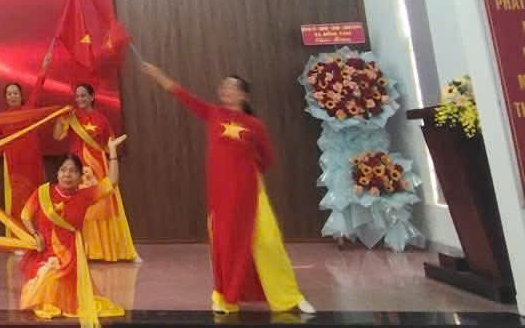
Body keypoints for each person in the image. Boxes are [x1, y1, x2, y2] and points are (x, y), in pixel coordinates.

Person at [140, 62, 315, 314]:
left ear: (244, 95)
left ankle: (290, 296)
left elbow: (267, 158)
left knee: (268, 243)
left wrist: (250, 175)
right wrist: (158, 75)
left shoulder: (254, 125)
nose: (227, 90)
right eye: (224, 87)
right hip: (221, 196)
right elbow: (181, 94)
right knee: (225, 246)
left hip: (251, 193)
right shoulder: (213, 113)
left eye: (232, 87)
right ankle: (224, 297)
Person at [19, 139, 127, 324]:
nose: (67, 175)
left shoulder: (85, 195)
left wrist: (112, 153)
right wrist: (35, 235)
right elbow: (25, 216)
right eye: (63, 170)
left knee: (56, 283)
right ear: (57, 173)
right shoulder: (43, 193)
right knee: (41, 284)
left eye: (73, 171)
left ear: (79, 177)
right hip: (45, 252)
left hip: (71, 256)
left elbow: (112, 182)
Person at [52, 83, 138, 263]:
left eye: (83, 95)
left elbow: (109, 145)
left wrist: (111, 152)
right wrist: (60, 119)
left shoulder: (101, 119)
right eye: (77, 96)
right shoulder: (71, 116)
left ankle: (104, 250)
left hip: (98, 167)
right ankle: (80, 250)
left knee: (100, 206)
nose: (80, 99)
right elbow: (57, 136)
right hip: (76, 168)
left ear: (92, 97)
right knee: (78, 206)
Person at [0, 51, 51, 243]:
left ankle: (40, 238)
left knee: (36, 201)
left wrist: (44, 67)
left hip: (33, 165)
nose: (12, 96)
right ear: (6, 98)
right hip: (14, 168)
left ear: (21, 96)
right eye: (9, 94)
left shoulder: (29, 110)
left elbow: (38, 87)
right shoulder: (1, 119)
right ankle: (20, 240)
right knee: (17, 202)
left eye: (15, 93)